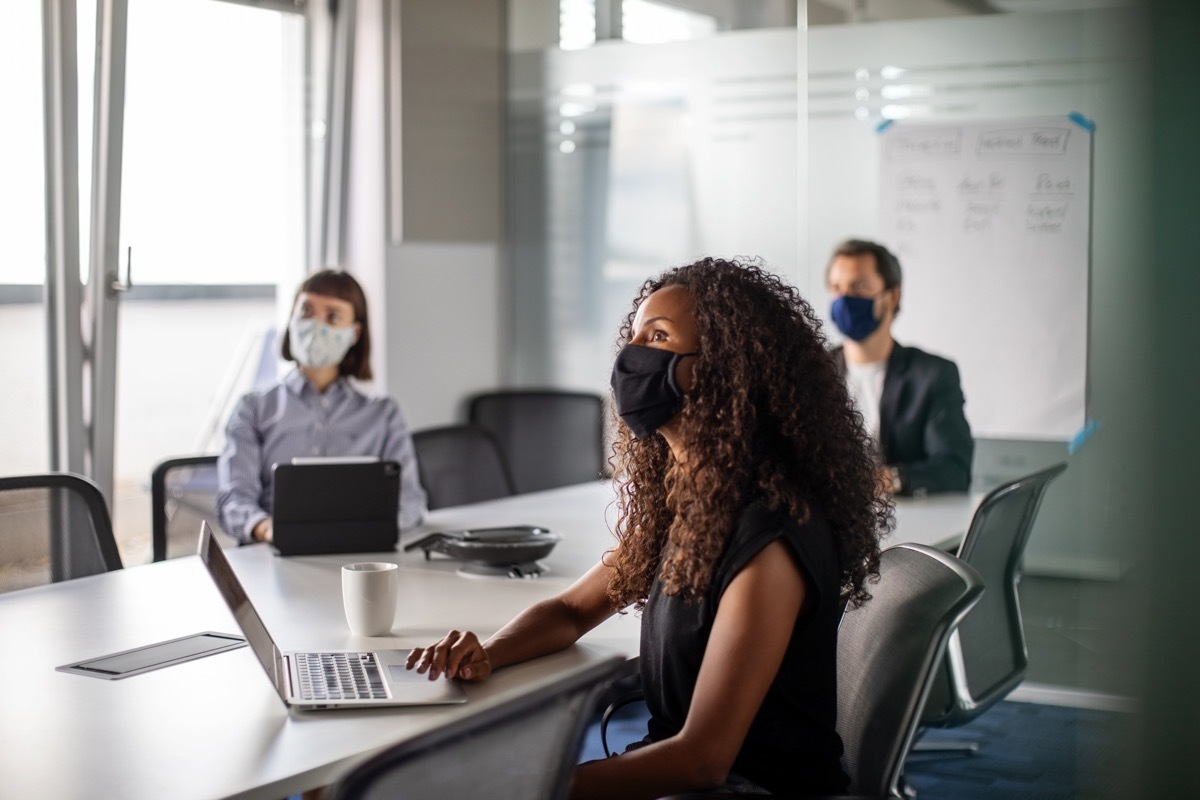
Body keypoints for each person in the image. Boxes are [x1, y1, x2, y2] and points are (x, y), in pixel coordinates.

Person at [407, 258, 890, 798]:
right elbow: (570, 611)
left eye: (657, 337)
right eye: (633, 336)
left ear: (722, 370)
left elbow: (702, 760)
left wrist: (530, 788)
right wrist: (490, 652)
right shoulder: (690, 505)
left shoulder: (771, 535)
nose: (632, 357)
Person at [217, 269, 427, 544]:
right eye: (306, 311)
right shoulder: (253, 408)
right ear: (291, 319)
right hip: (271, 553)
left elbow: (410, 502)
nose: (316, 324)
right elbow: (234, 498)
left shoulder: (382, 413)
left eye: (332, 316)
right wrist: (267, 528)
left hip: (360, 556)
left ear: (355, 333)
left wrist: (355, 530)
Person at [826, 238, 973, 496]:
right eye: (837, 287)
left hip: (903, 522)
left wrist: (885, 480)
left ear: (892, 297)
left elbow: (954, 469)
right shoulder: (813, 371)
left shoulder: (933, 375)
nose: (845, 299)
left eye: (859, 286)